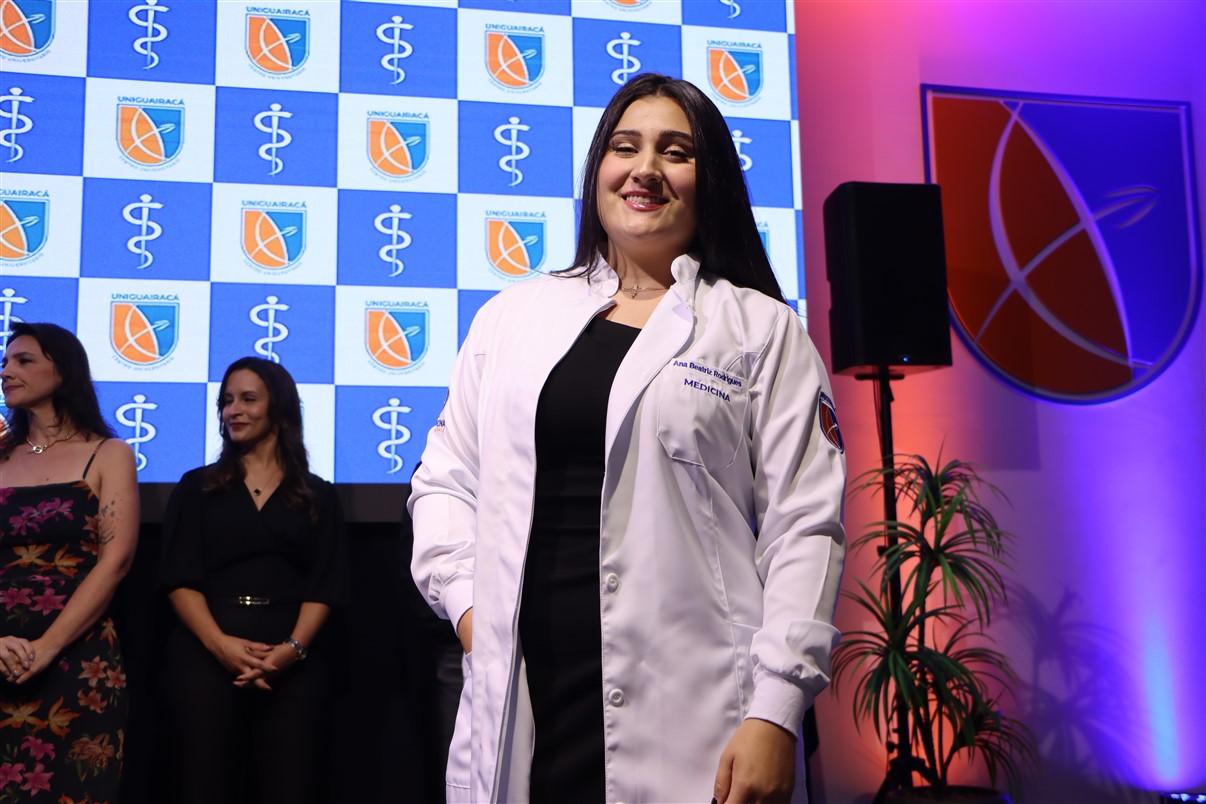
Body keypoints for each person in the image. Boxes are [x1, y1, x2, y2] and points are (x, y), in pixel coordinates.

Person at [410, 74, 847, 804]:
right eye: (625, 147)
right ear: (597, 170)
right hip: (530, 698)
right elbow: (445, 483)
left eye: (675, 152)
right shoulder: (511, 318)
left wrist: (776, 709)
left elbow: (805, 527)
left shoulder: (759, 328)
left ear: (710, 180)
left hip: (701, 711)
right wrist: (470, 611)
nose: (645, 169)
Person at [158, 357, 347, 804]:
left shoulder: (318, 494)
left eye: (247, 399)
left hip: (292, 663)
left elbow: (325, 584)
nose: (233, 411)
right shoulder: (196, 487)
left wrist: (290, 651)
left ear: (278, 408)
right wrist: (221, 647)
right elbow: (179, 578)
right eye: (227, 401)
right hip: (205, 656)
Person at [0, 322, 139, 802]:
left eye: (24, 361)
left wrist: (46, 648)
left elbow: (116, 561)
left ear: (63, 371)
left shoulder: (108, 453)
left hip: (78, 658)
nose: (6, 371)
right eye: (5, 362)